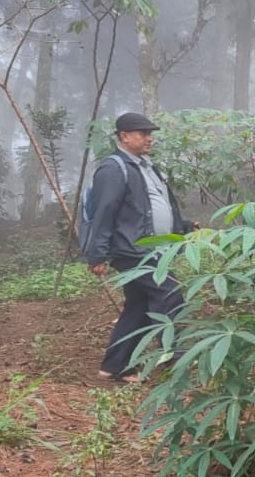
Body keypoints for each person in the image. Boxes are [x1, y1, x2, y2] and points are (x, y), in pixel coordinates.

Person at [83, 112, 195, 382]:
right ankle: (175, 359)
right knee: (171, 294)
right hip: (134, 250)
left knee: (139, 306)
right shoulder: (113, 169)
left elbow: (156, 206)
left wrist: (184, 227)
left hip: (152, 249)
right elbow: (104, 212)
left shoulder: (145, 166)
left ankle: (114, 366)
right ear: (124, 136)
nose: (149, 139)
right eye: (143, 133)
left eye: (150, 133)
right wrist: (97, 254)